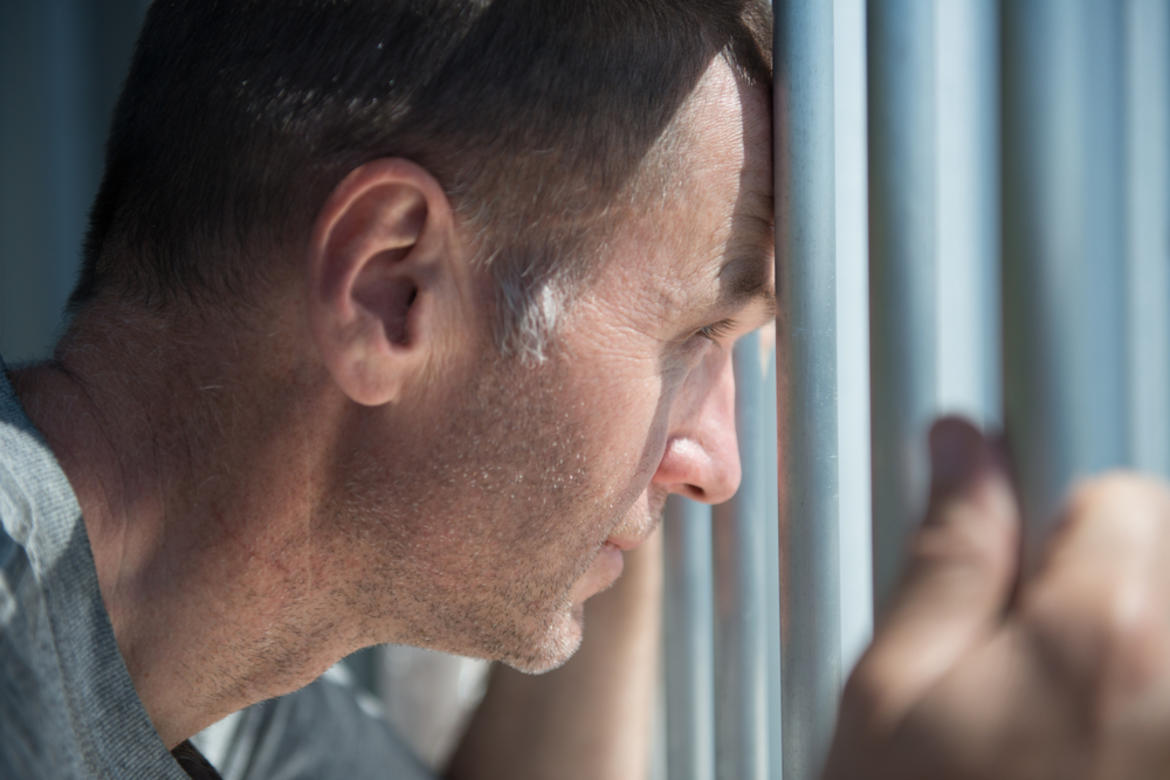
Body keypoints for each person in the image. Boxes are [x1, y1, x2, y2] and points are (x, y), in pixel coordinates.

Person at [2, 1, 1170, 778]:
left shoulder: (221, 702)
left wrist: (598, 473)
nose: (718, 464)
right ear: (393, 288)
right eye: (694, 334)